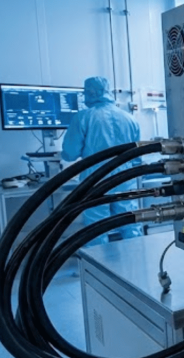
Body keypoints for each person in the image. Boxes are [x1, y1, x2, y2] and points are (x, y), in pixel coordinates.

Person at [62, 76, 143, 247]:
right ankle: (136, 265)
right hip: (124, 178)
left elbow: (69, 154)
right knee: (130, 223)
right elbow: (137, 158)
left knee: (96, 229)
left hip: (95, 179)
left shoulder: (84, 117)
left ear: (90, 93)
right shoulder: (129, 118)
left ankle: (98, 270)